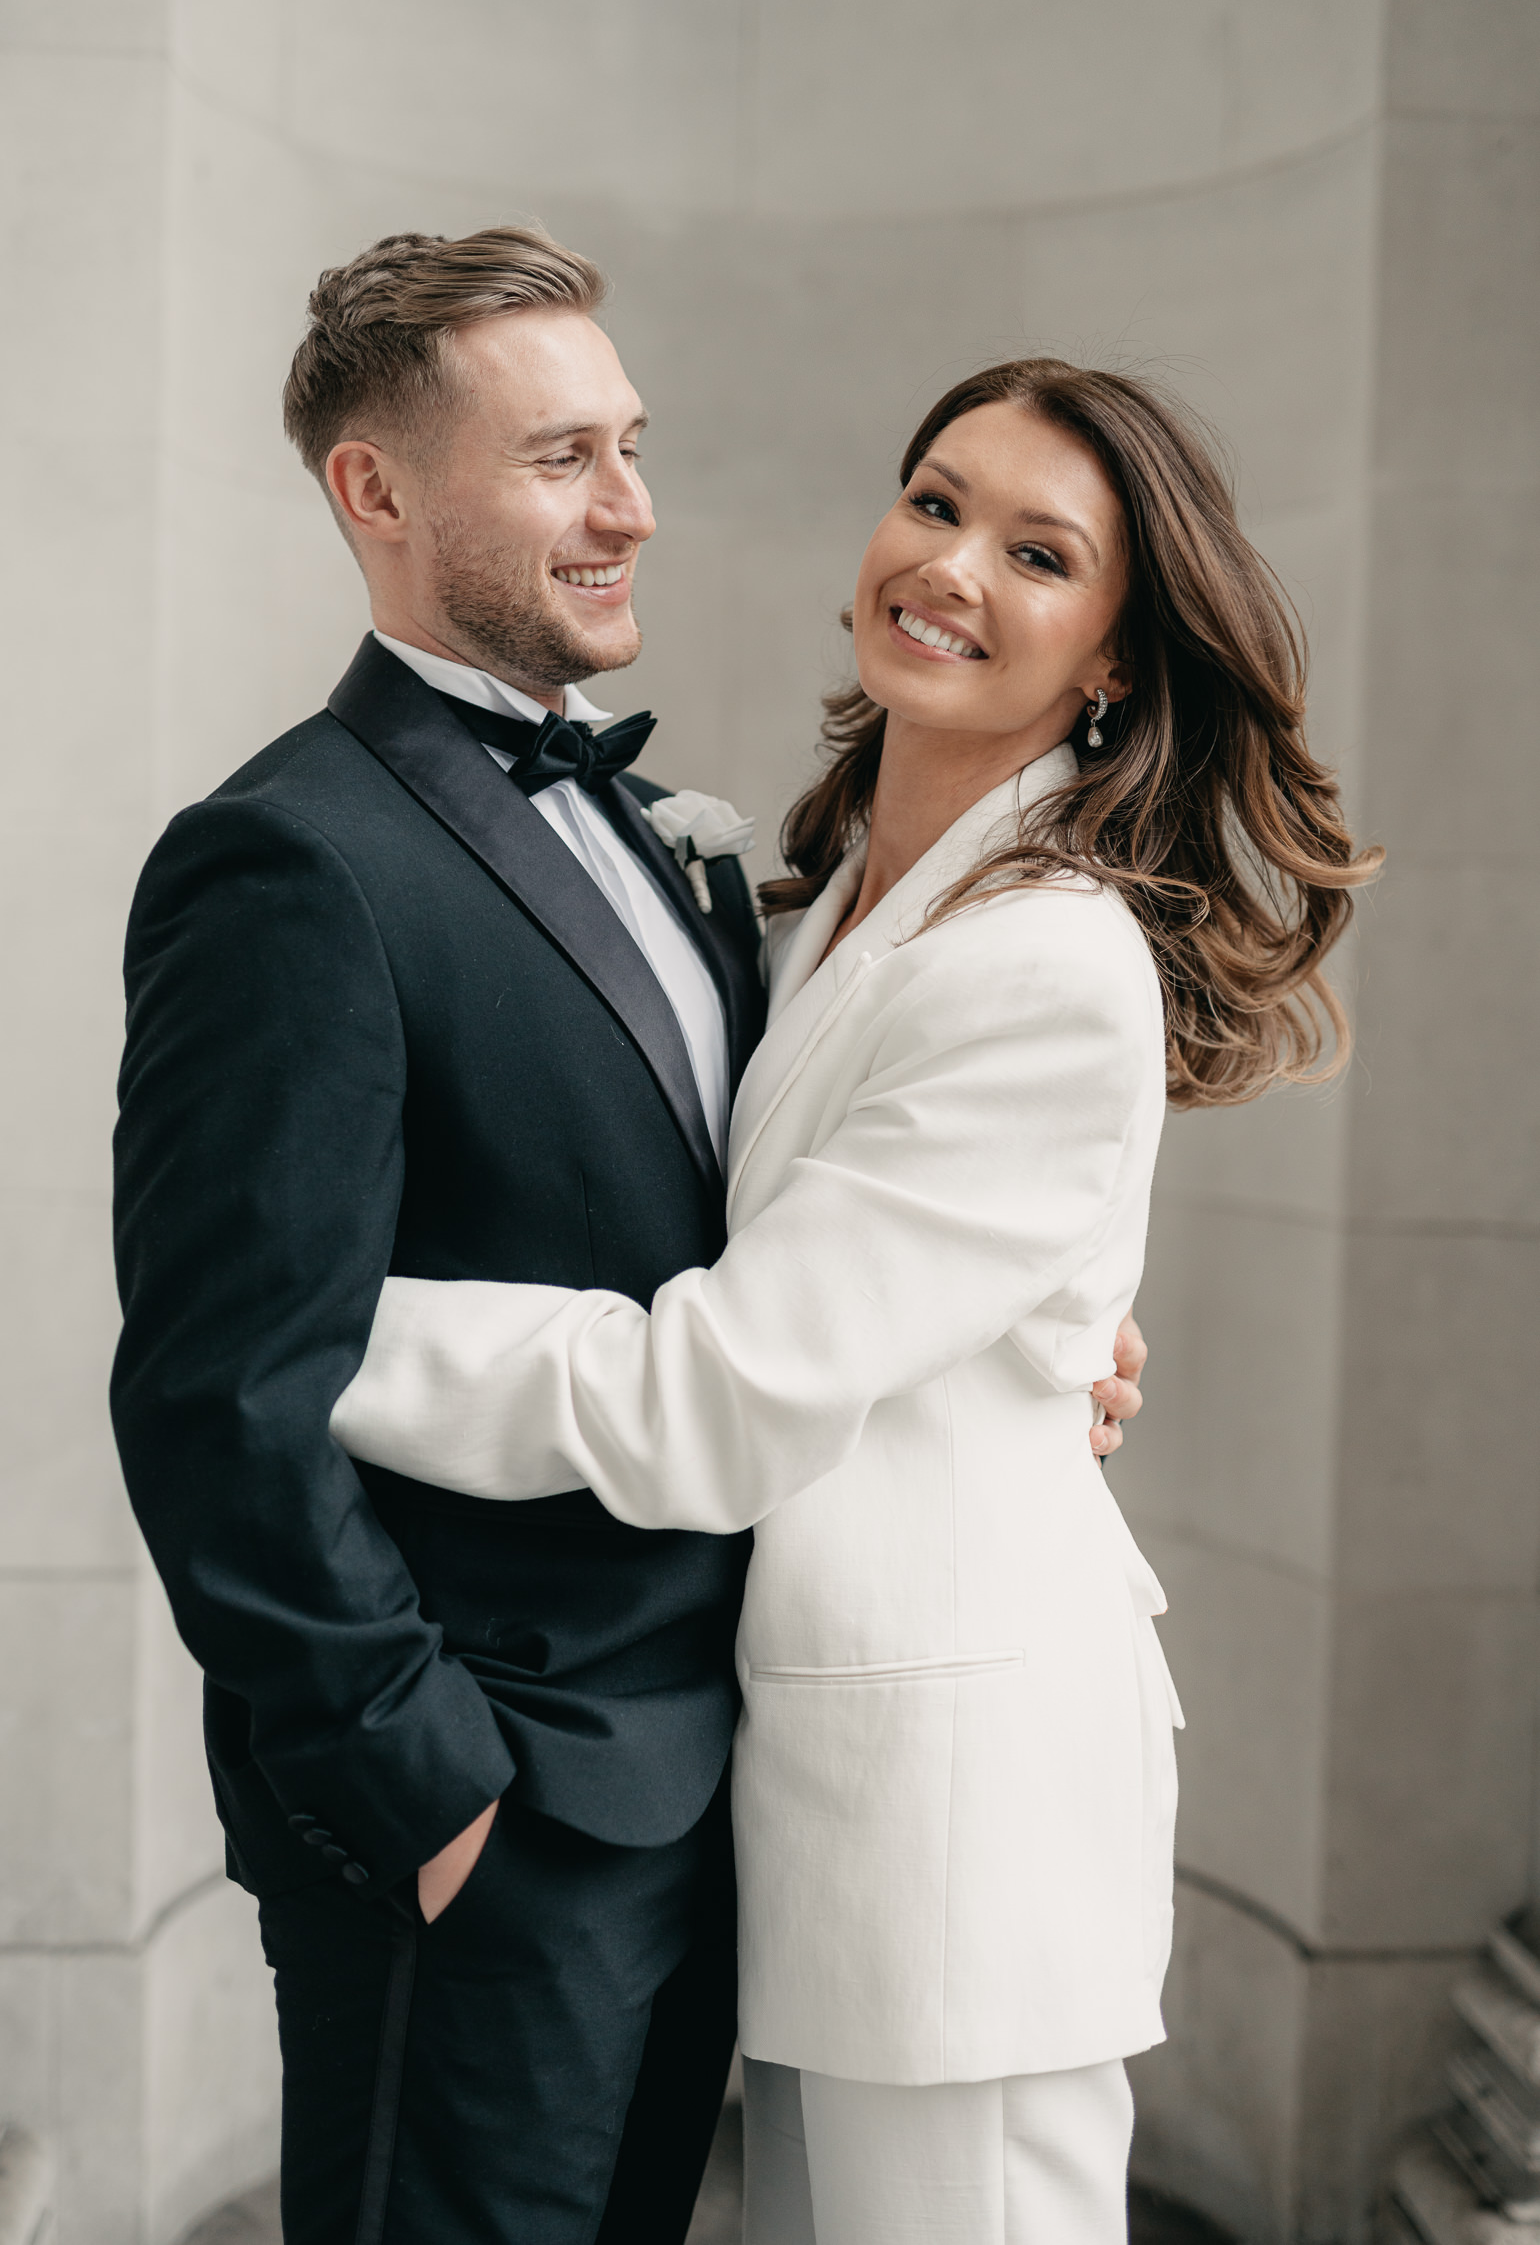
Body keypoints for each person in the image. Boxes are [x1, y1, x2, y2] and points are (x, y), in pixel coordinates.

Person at [109, 229, 1146, 2245]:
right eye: (562, 456)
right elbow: (222, 1397)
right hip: (487, 1805)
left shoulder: (710, 865)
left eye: (631, 444)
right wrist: (421, 1791)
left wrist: (1051, 1330)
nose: (633, 508)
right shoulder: (289, 858)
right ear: (378, 494)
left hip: (719, 1801)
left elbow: (817, 1241)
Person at [332, 355, 1380, 2245]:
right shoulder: (815, 909)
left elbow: (711, 1396)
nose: (954, 564)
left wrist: (336, 1335)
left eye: (1039, 552)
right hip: (833, 1795)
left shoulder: (1050, 965)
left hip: (959, 1818)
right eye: (936, 499)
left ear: (1118, 658)